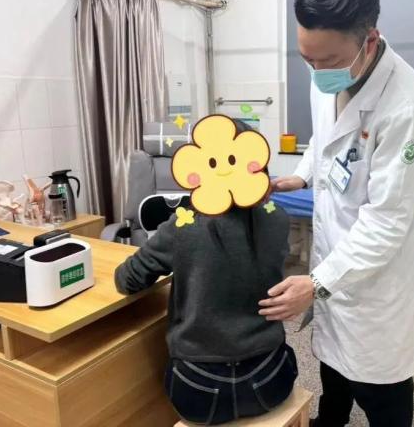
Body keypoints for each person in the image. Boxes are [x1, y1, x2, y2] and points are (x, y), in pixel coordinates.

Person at [258, 0, 414, 427]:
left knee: (380, 388)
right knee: (332, 366)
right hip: (334, 260)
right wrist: (302, 175)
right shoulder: (329, 68)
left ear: (369, 40)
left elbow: (386, 224)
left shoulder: (408, 107)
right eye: (307, 59)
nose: (317, 72)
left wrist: (316, 283)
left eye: (327, 61)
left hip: (376, 283)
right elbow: (327, 139)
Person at [115, 118, 297, 425]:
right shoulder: (277, 218)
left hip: (198, 390)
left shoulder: (183, 225)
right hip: (270, 381)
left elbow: (127, 279)